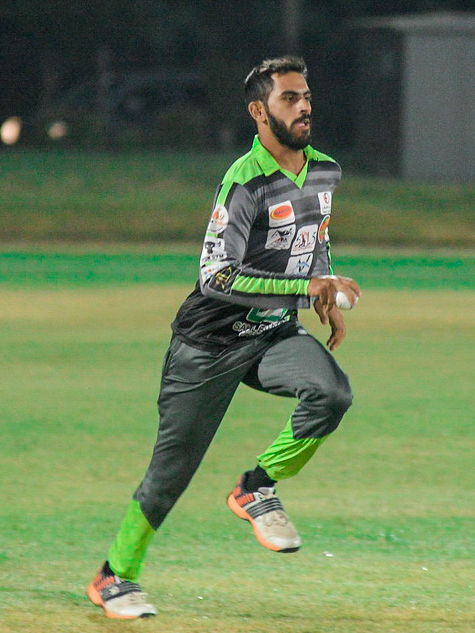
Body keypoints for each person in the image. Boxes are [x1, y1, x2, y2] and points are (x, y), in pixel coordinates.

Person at [87, 55, 361, 619]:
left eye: (306, 96)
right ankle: (114, 576)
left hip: (272, 334)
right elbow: (216, 277)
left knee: (332, 393)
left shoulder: (326, 170)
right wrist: (307, 285)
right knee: (170, 476)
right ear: (259, 112)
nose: (304, 107)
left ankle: (255, 486)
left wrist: (324, 290)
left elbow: (315, 239)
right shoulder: (244, 182)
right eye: (290, 98)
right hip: (208, 345)